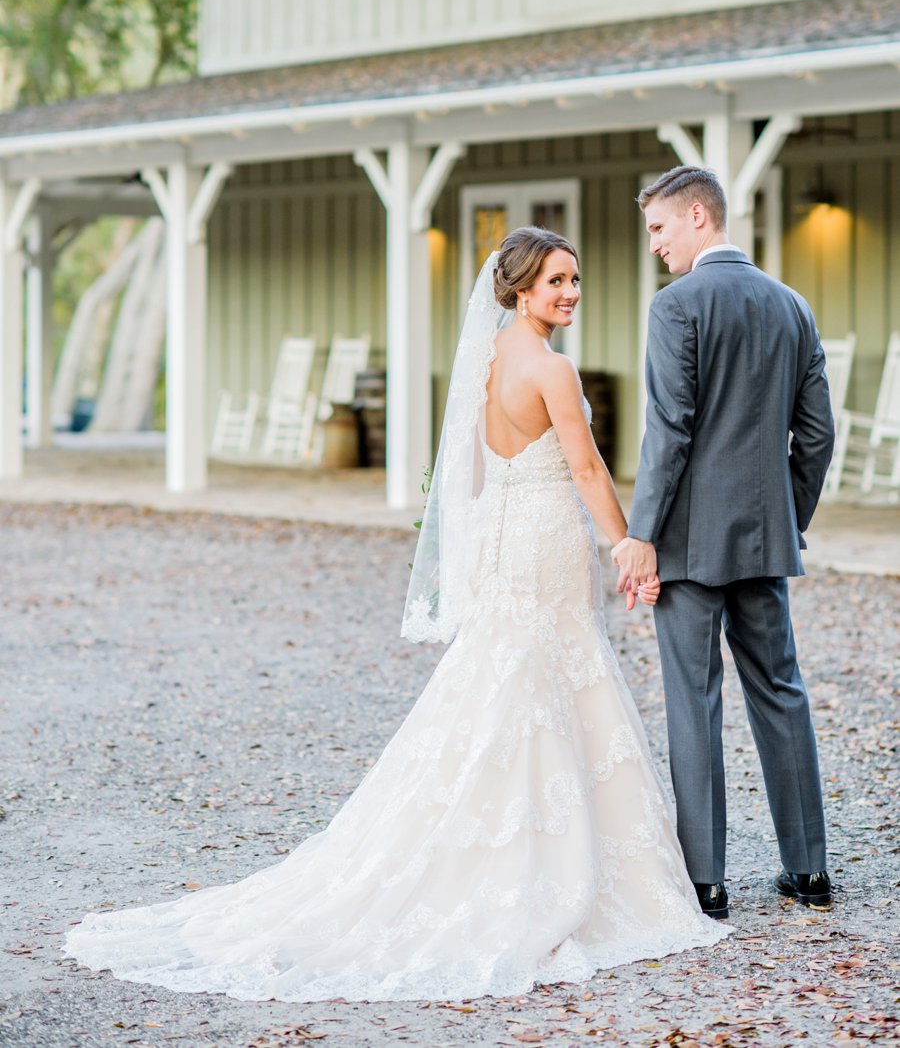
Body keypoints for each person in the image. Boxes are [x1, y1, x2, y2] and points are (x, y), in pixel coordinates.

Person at [64, 227, 728, 1003]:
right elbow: (585, 466)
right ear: (518, 291)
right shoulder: (550, 367)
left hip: (507, 539)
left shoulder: (485, 363)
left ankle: (497, 836)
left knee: (512, 683)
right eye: (555, 281)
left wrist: (482, 550)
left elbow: (474, 469)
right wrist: (627, 545)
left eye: (575, 280)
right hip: (545, 539)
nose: (570, 293)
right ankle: (539, 862)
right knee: (550, 681)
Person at [612, 167, 835, 922]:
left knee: (693, 699)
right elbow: (818, 435)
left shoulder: (677, 306)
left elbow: (669, 430)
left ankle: (707, 883)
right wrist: (786, 518)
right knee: (782, 691)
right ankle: (810, 872)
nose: (655, 245)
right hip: (764, 540)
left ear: (698, 215)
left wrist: (643, 532)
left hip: (688, 544)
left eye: (660, 228)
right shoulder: (793, 307)